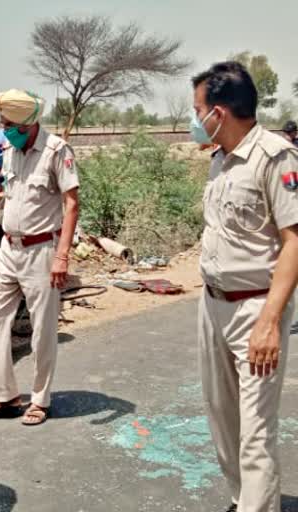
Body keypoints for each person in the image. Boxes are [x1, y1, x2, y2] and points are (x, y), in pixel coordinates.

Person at [191, 61, 298, 512]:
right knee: (222, 416)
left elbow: (295, 239)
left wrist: (271, 321)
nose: (195, 119)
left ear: (219, 111)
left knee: (255, 429)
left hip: (256, 307)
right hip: (212, 303)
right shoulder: (219, 159)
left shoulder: (275, 156)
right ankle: (243, 499)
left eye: (198, 109)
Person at [0, 89, 80, 426]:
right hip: (9, 248)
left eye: (9, 124)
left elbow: (72, 203)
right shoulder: (10, 151)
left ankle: (40, 399)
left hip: (41, 251)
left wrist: (62, 256)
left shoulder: (55, 151)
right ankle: (5, 395)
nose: (4, 129)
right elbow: (8, 195)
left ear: (28, 123)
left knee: (42, 329)